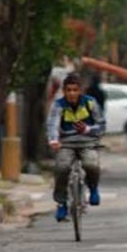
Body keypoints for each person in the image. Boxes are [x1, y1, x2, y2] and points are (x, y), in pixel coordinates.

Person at [47, 74, 105, 222]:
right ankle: (61, 203)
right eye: (68, 90)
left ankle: (93, 188)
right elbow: (53, 124)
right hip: (66, 144)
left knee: (91, 164)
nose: (72, 93)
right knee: (62, 168)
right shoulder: (59, 105)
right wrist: (53, 140)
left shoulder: (90, 103)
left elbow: (101, 125)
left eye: (75, 90)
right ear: (64, 91)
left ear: (80, 91)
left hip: (88, 142)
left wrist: (87, 129)